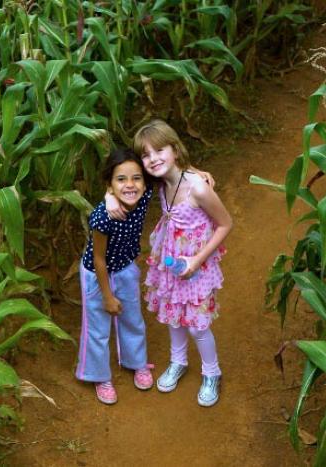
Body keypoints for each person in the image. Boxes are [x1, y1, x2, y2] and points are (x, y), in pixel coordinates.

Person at [108, 119, 232, 407]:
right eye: (146, 155)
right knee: (173, 316)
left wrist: (196, 260)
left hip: (196, 267)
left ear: (175, 150)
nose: (153, 159)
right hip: (171, 263)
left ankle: (211, 373)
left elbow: (225, 223)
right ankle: (179, 361)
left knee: (197, 326)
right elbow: (123, 175)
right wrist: (108, 195)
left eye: (159, 151)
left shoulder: (198, 188)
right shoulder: (162, 183)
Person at [76, 148, 154, 405]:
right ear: (109, 183)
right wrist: (107, 296)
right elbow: (99, 259)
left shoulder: (142, 198)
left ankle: (137, 362)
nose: (130, 185)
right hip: (97, 273)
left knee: (132, 315)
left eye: (136, 178)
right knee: (98, 326)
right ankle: (99, 376)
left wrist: (201, 173)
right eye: (120, 179)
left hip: (125, 267)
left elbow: (169, 172)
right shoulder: (103, 217)